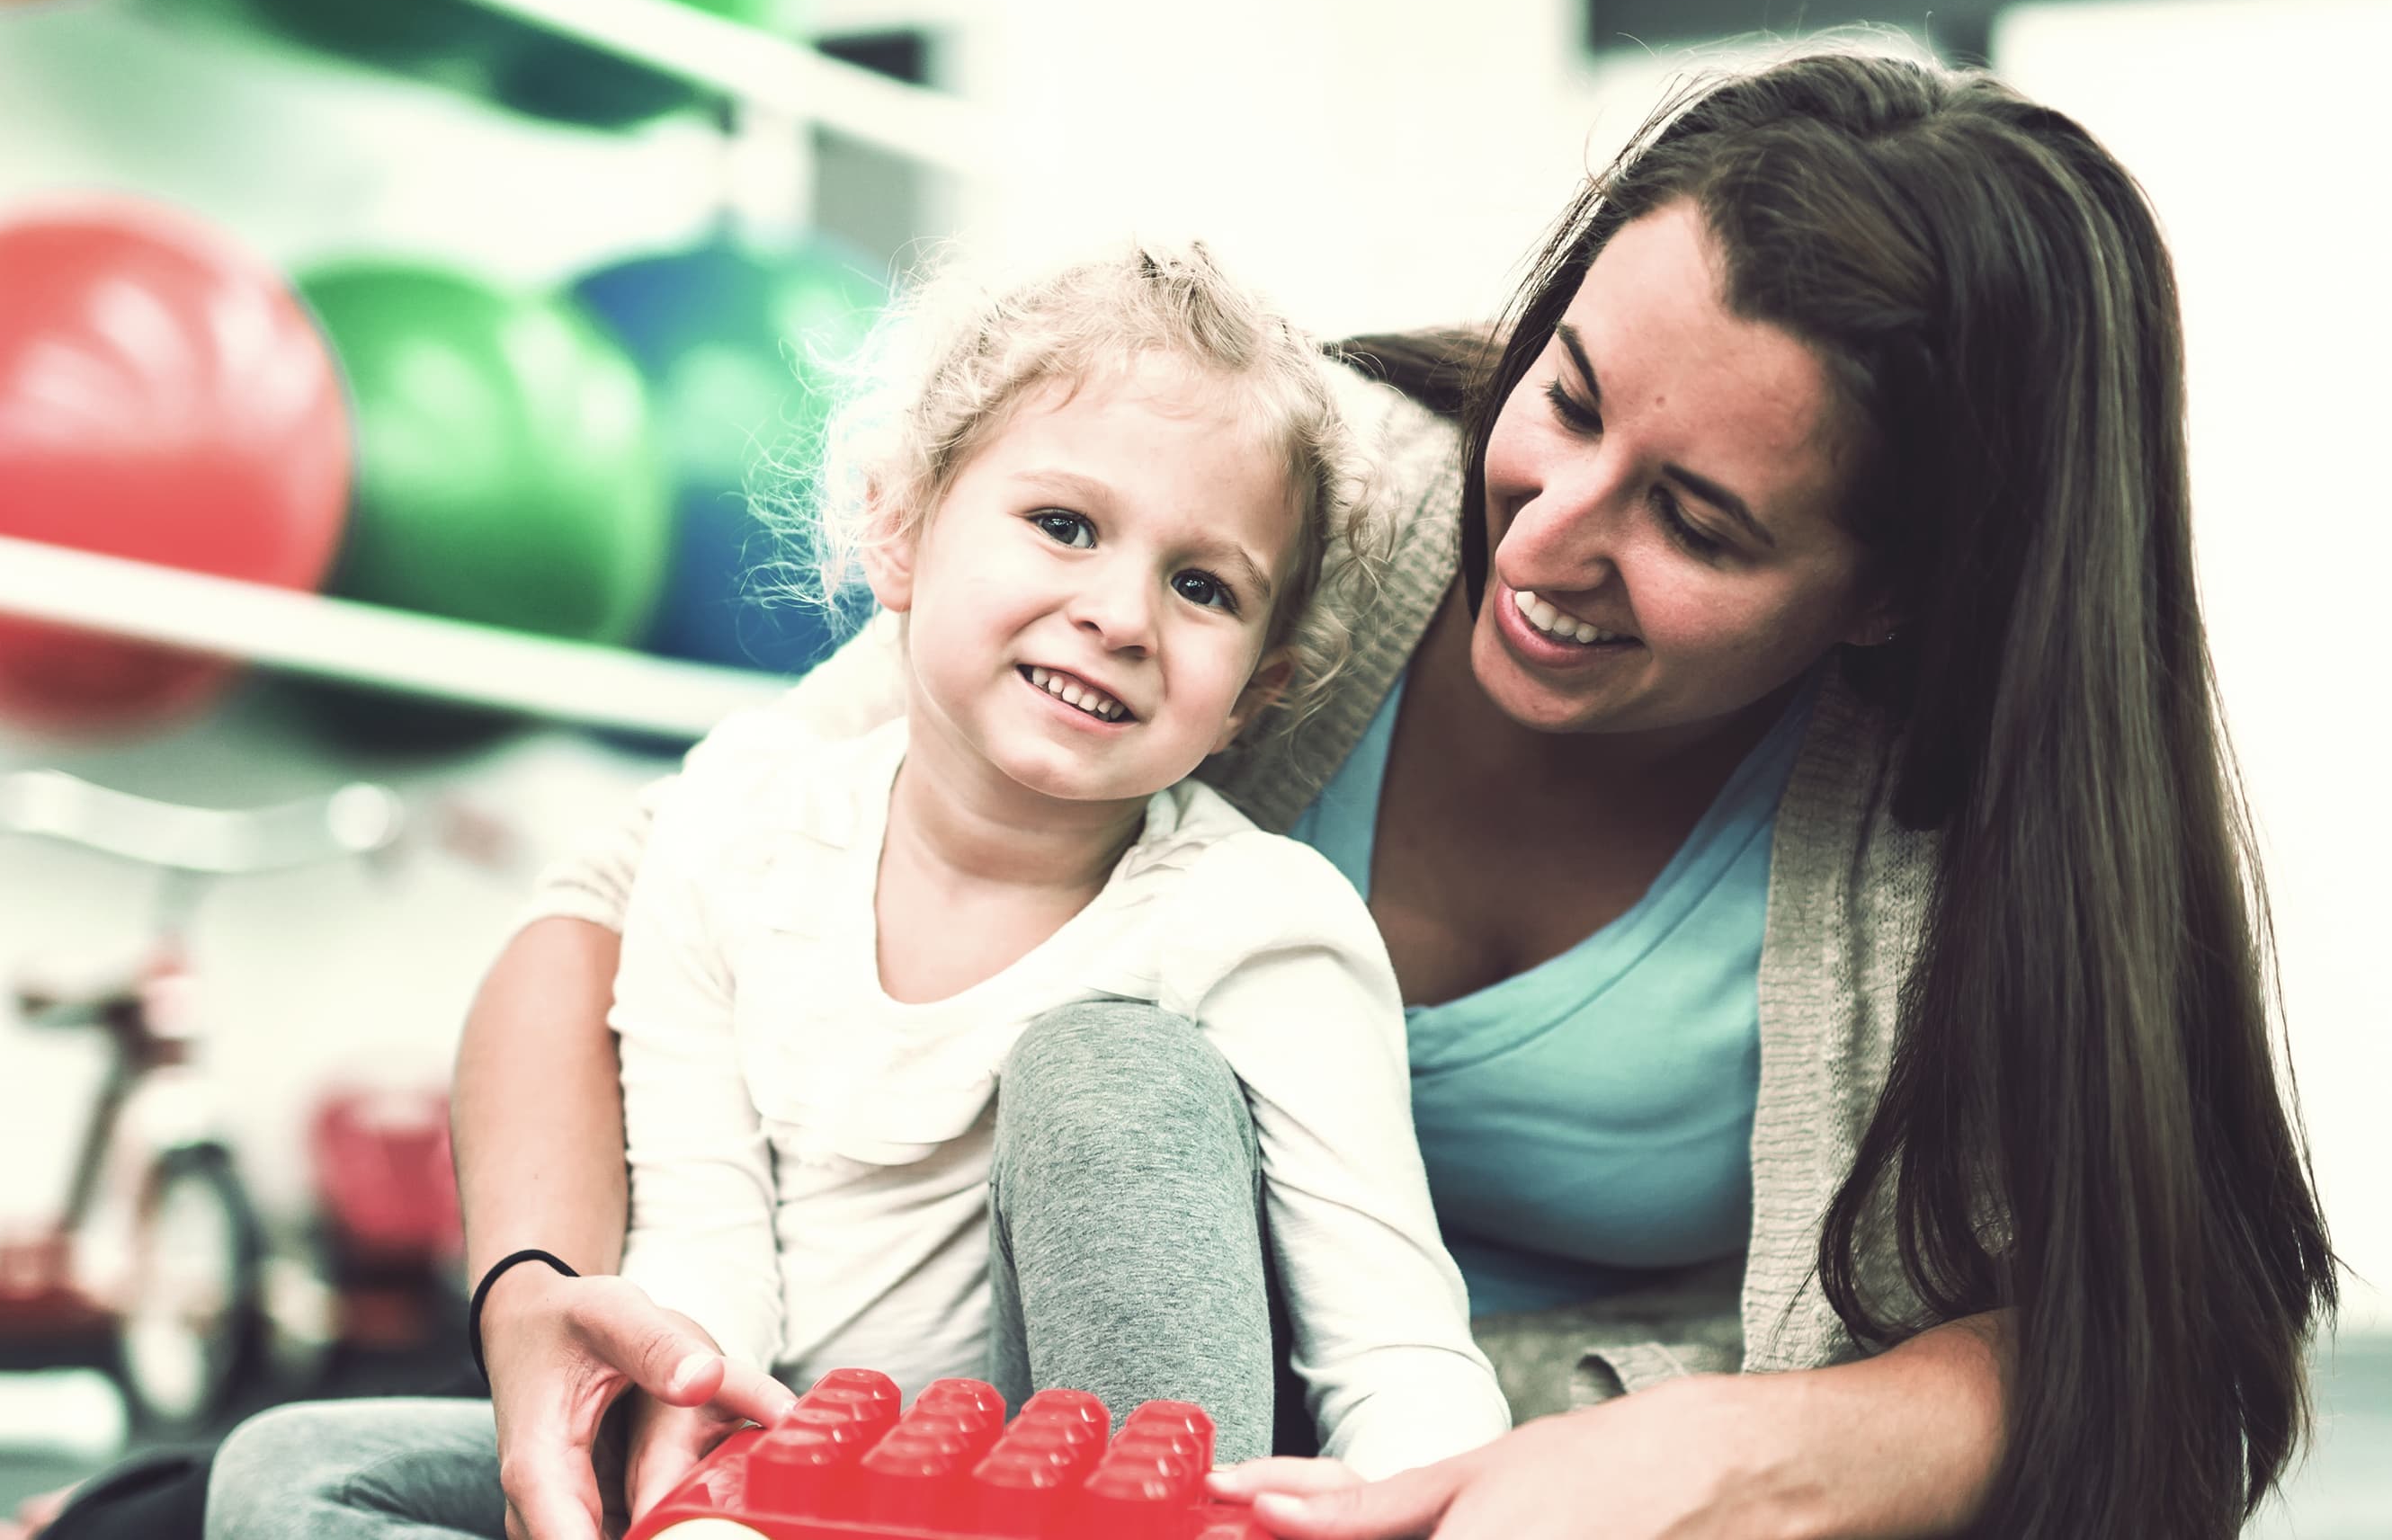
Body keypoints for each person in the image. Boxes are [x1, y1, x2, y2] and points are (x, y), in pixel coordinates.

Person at [0, 47, 2335, 1540]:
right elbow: (614, 915)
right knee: (247, 1500)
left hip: (1355, 1465)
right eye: (1569, 392)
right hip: (891, 1401)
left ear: (1902, 597)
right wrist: (549, 1301)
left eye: (1699, 526)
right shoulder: (1280, 509)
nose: (1549, 532)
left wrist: (1675, 1460)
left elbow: (2146, 1355)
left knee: (1125, 1090)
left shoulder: (1941, 836)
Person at [199, 244, 1512, 1537]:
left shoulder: (1261, 925)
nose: (1120, 613)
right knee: (289, 1469)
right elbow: (702, 1225)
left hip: (1062, 1497)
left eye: (1202, 587)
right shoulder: (732, 830)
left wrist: (1445, 1508)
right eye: (1064, 525)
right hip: (782, 1456)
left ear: (1255, 695)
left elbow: (1396, 1358)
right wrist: (692, 1441)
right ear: (899, 532)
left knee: (1115, 1073)